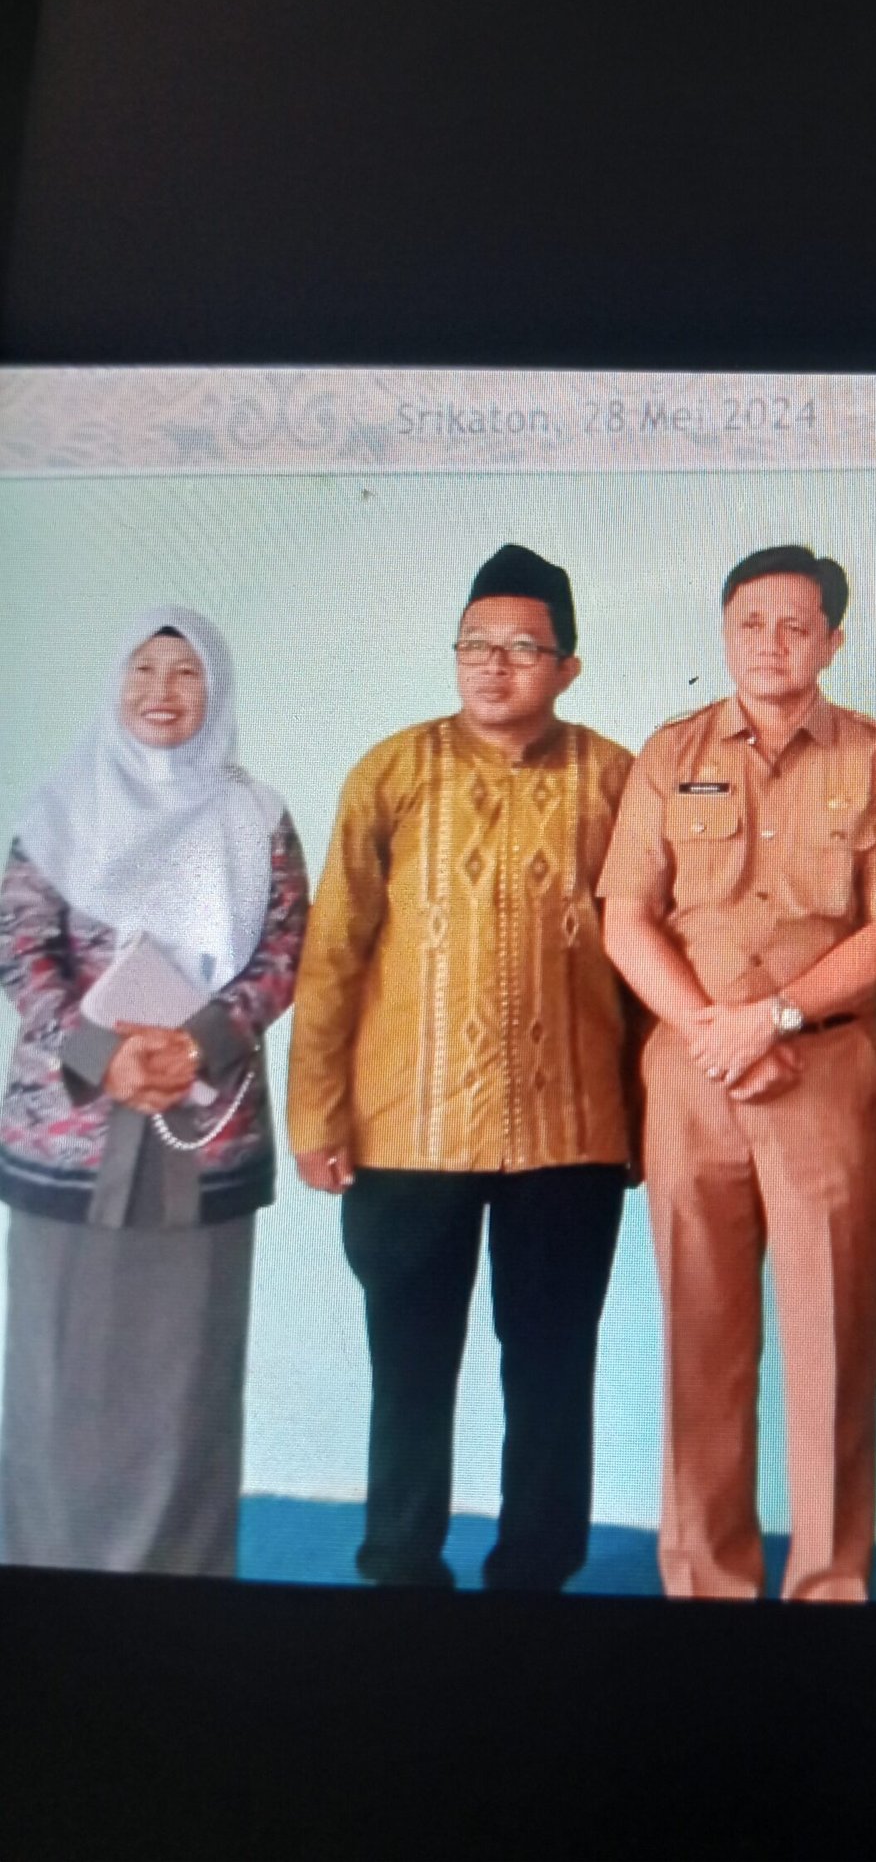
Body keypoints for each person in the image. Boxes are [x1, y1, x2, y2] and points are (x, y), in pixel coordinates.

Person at [286, 544, 636, 1591]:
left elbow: (647, 954)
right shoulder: (391, 771)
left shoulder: (617, 780)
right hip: (407, 1130)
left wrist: (642, 1117)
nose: (492, 664)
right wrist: (316, 1112)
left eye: (521, 647)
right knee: (409, 1369)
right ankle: (399, 1570)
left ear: (567, 667)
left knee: (553, 1368)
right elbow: (332, 952)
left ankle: (535, 1578)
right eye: (474, 644)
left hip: (569, 1133)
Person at [599, 545, 876, 1600]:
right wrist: (710, 1028)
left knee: (832, 1346)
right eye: (750, 623)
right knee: (699, 1342)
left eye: (796, 625)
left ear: (833, 640)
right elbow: (626, 918)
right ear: (725, 633)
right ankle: (706, 1583)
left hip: (823, 1074)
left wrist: (774, 1017)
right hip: (693, 1075)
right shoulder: (670, 752)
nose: (771, 644)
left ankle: (828, 1585)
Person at [0, 607, 307, 1574]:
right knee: (59, 1374)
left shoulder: (255, 819)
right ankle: (45, 1583)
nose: (162, 692)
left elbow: (285, 950)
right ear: (116, 684)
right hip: (70, 1137)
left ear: (216, 689)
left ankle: (183, 1594)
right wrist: (103, 1052)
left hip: (204, 1132)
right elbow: (20, 947)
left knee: (186, 1378)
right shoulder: (60, 810)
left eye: (186, 672)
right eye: (143, 669)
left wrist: (196, 1043)